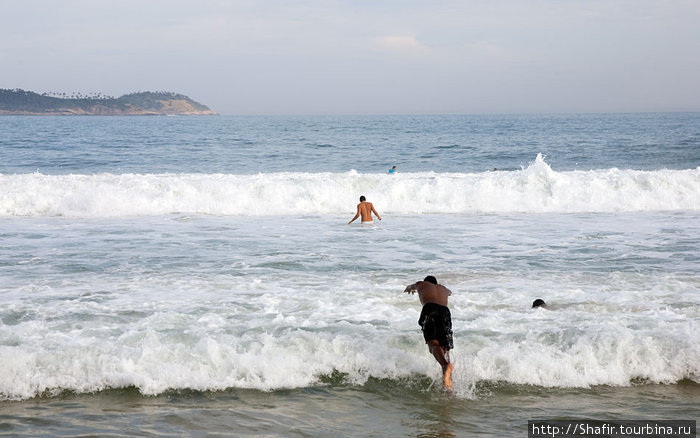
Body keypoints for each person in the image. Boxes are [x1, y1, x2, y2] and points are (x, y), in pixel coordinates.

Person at [404, 275, 454, 390]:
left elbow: (410, 287)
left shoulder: (422, 284)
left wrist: (410, 289)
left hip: (430, 308)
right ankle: (448, 383)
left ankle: (445, 366)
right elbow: (450, 292)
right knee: (445, 347)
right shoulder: (443, 288)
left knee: (433, 343)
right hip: (445, 312)